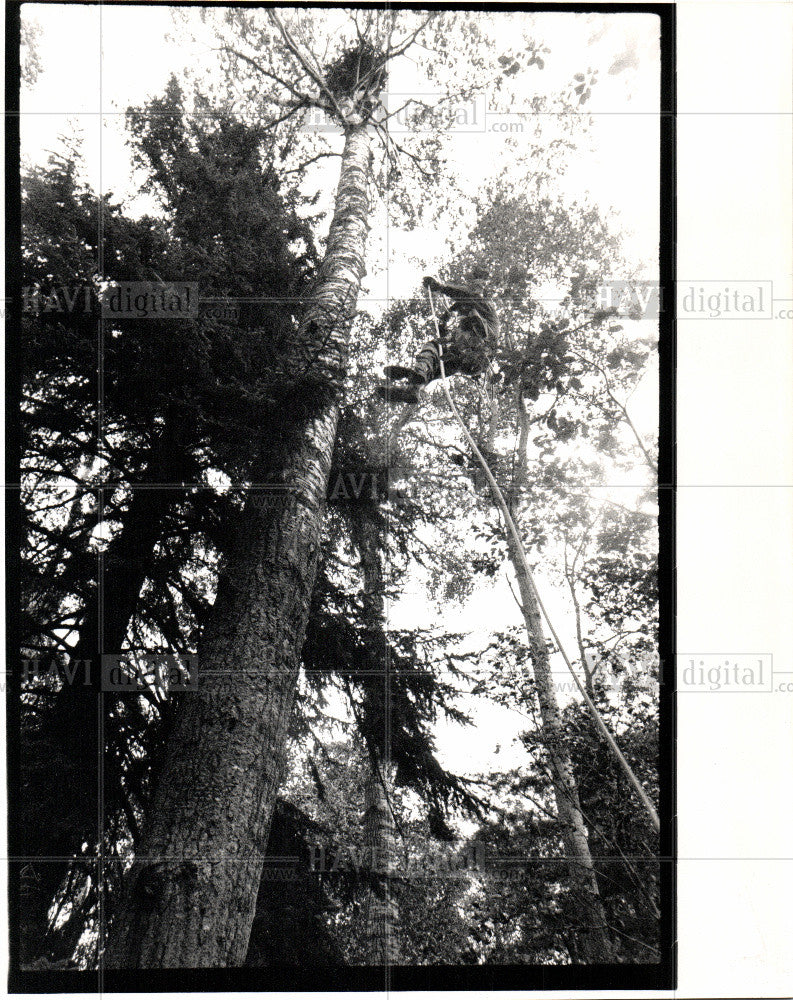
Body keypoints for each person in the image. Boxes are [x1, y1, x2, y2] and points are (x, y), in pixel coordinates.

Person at [376, 275, 500, 404]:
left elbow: (468, 296)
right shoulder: (465, 327)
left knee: (434, 346)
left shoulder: (486, 308)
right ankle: (413, 389)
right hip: (467, 362)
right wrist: (443, 325)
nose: (462, 313)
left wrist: (440, 288)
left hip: (478, 350)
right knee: (435, 364)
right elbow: (448, 339)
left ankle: (418, 377)